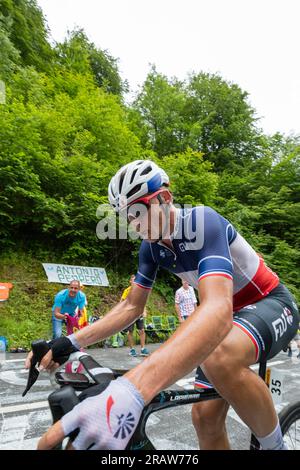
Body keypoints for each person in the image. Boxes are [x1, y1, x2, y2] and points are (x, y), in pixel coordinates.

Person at [27, 159, 299, 451]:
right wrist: (68, 341)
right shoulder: (151, 248)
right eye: (127, 217)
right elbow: (131, 307)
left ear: (165, 198)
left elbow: (217, 310)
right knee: (205, 419)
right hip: (232, 319)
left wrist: (132, 389)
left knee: (218, 355)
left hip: (269, 301)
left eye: (138, 211)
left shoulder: (201, 222)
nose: (135, 223)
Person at [120, 274, 149, 357]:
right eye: (133, 280)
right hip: (130, 314)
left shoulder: (141, 290)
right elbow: (121, 302)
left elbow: (144, 301)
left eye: (136, 280)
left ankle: (143, 349)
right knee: (130, 331)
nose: (135, 282)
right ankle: (132, 349)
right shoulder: (127, 290)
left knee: (142, 330)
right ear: (130, 282)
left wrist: (144, 311)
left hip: (139, 313)